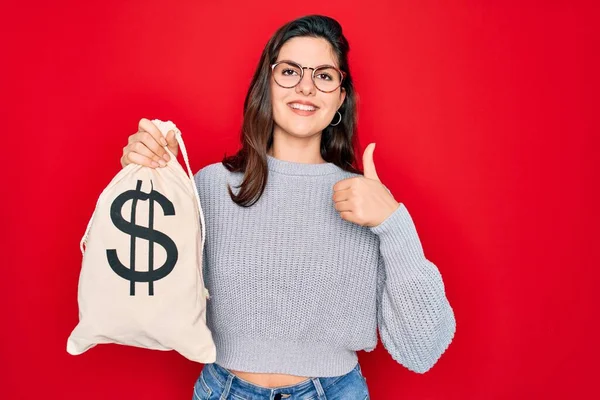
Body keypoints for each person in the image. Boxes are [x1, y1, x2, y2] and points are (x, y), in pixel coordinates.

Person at [120, 14, 456, 400]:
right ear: (267, 83)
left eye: (324, 76)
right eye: (290, 71)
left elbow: (422, 349)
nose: (307, 87)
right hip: (222, 389)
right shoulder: (210, 187)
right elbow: (142, 281)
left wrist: (395, 222)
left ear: (341, 98)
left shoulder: (367, 199)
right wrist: (142, 181)